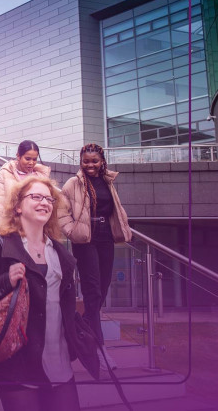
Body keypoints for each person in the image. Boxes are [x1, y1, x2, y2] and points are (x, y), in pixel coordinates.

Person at [0, 176, 81, 411]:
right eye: (36, 197)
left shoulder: (60, 253)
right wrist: (4, 281)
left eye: (49, 199)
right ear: (17, 206)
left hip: (60, 364)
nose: (44, 202)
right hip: (16, 366)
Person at [58, 143, 132, 370]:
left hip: (105, 239)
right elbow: (61, 211)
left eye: (94, 161)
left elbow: (113, 210)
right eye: (86, 161)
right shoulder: (73, 183)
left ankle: (80, 330)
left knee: (102, 290)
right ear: (81, 162)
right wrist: (71, 231)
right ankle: (100, 350)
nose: (90, 165)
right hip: (85, 241)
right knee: (93, 293)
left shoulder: (108, 181)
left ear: (102, 162)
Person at [0, 140, 51, 234]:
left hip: (35, 231)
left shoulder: (41, 177)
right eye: (27, 159)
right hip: (11, 229)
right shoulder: (5, 174)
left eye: (34, 159)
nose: (31, 163)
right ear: (18, 156)